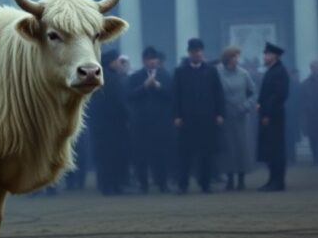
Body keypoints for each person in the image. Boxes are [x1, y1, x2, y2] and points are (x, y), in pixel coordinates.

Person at [172, 38, 224, 194]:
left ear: (203, 52)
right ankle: (183, 185)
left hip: (207, 119)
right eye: (194, 51)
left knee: (206, 154)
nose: (197, 54)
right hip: (186, 119)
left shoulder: (210, 71)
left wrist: (220, 113)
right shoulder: (180, 72)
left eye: (199, 51)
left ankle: (205, 184)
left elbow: (218, 94)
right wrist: (177, 116)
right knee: (185, 155)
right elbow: (176, 95)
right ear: (189, 53)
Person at [126, 47, 174, 193]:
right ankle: (143, 184)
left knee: (161, 154)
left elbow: (172, 95)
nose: (152, 62)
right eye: (149, 59)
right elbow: (129, 96)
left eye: (154, 59)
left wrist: (158, 86)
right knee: (141, 155)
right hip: (141, 123)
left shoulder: (165, 76)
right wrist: (144, 87)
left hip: (161, 122)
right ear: (144, 61)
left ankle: (162, 183)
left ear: (157, 60)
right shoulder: (135, 77)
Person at [216, 46, 257, 190]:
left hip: (242, 116)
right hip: (226, 116)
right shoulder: (218, 73)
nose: (237, 59)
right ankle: (229, 178)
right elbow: (214, 93)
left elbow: (253, 93)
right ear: (227, 58)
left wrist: (246, 105)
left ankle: (241, 178)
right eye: (234, 57)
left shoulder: (244, 74)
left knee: (242, 148)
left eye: (238, 57)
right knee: (228, 149)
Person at [89, 50, 129, 195]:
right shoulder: (112, 79)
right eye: (118, 60)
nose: (120, 63)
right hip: (112, 125)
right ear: (112, 62)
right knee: (112, 156)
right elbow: (118, 103)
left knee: (105, 156)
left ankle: (108, 185)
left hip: (102, 125)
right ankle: (113, 186)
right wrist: (127, 117)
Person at [257, 42, 290, 191]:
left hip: (274, 116)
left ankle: (278, 181)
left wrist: (267, 113)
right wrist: (259, 104)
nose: (264, 57)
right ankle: (272, 180)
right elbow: (264, 94)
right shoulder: (272, 71)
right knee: (270, 150)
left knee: (276, 150)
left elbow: (277, 96)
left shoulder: (279, 72)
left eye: (267, 54)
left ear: (274, 56)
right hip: (268, 115)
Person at [299, 60, 318, 166]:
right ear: (311, 69)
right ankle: (316, 158)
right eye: (313, 67)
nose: (315, 69)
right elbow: (302, 99)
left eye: (317, 67)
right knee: (313, 137)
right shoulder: (305, 84)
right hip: (311, 115)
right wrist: (307, 106)